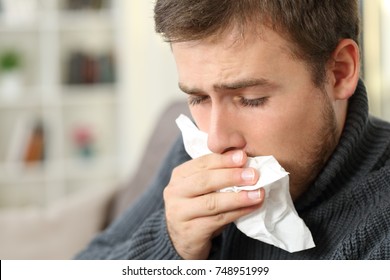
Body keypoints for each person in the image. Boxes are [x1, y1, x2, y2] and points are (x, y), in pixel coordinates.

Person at [76, 0, 390, 259]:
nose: (215, 140)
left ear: (339, 72)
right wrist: (171, 244)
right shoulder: (192, 154)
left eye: (251, 100)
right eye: (198, 98)